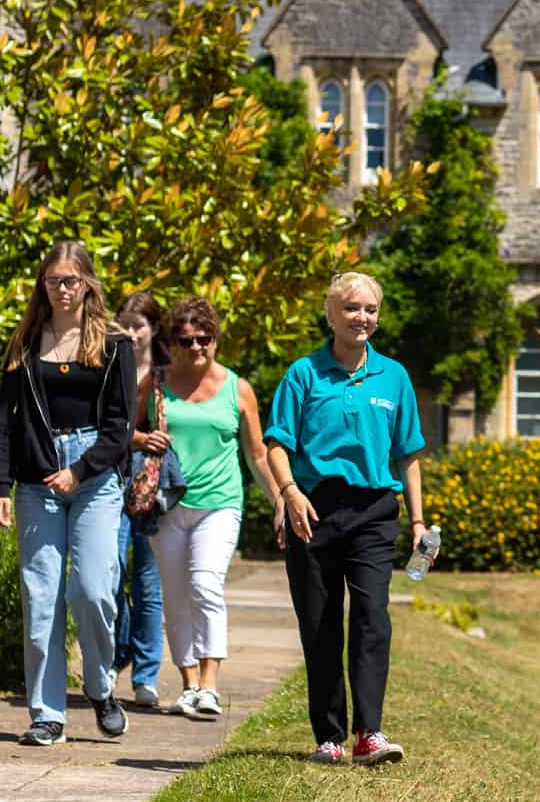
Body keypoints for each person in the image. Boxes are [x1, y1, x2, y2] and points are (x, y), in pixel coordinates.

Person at [264, 272, 426, 766]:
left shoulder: (393, 376)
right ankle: (329, 737)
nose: (362, 317)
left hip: (375, 511)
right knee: (320, 623)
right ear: (331, 314)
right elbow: (277, 445)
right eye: (352, 308)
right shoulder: (303, 374)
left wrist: (418, 523)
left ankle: (369, 734)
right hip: (313, 510)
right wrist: (289, 493)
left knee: (373, 616)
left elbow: (410, 454)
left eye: (371, 309)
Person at [0, 242, 137, 746]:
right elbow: (4, 421)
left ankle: (100, 686)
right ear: (43, 284)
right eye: (54, 280)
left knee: (93, 589)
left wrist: (80, 469)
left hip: (93, 478)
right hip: (36, 481)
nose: (64, 288)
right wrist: (0, 484)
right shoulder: (27, 341)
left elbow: (122, 428)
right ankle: (47, 713)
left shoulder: (115, 343)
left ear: (88, 283)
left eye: (72, 280)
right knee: (41, 598)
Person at [151, 296, 280, 719]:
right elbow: (126, 434)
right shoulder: (154, 384)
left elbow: (257, 453)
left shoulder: (238, 389)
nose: (195, 348)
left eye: (203, 339)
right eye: (185, 340)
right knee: (174, 596)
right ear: (172, 342)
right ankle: (187, 683)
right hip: (167, 504)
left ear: (215, 339)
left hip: (220, 503)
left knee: (204, 583)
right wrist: (141, 441)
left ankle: (209, 683)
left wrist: (280, 500)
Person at [112, 292, 167, 709]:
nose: (132, 331)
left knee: (148, 582)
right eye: (126, 322)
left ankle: (146, 675)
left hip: (150, 481)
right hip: (108, 474)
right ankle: (120, 652)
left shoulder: (167, 376)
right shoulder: (107, 365)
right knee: (109, 574)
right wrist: (136, 438)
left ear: (154, 326)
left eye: (140, 323)